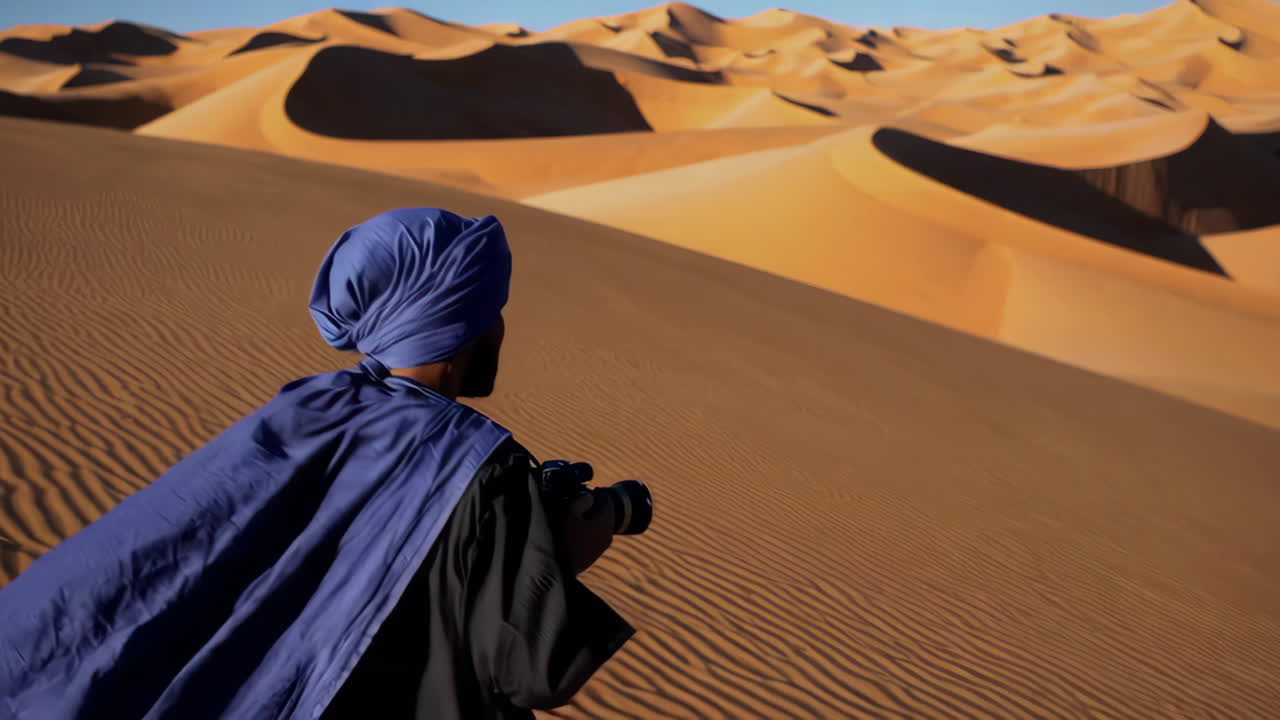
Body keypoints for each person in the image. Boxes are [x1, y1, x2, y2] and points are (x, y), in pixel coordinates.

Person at [0, 207, 635, 719]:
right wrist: (576, 542)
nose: (500, 325)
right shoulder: (476, 465)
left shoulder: (307, 406)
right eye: (491, 306)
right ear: (459, 317)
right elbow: (532, 669)